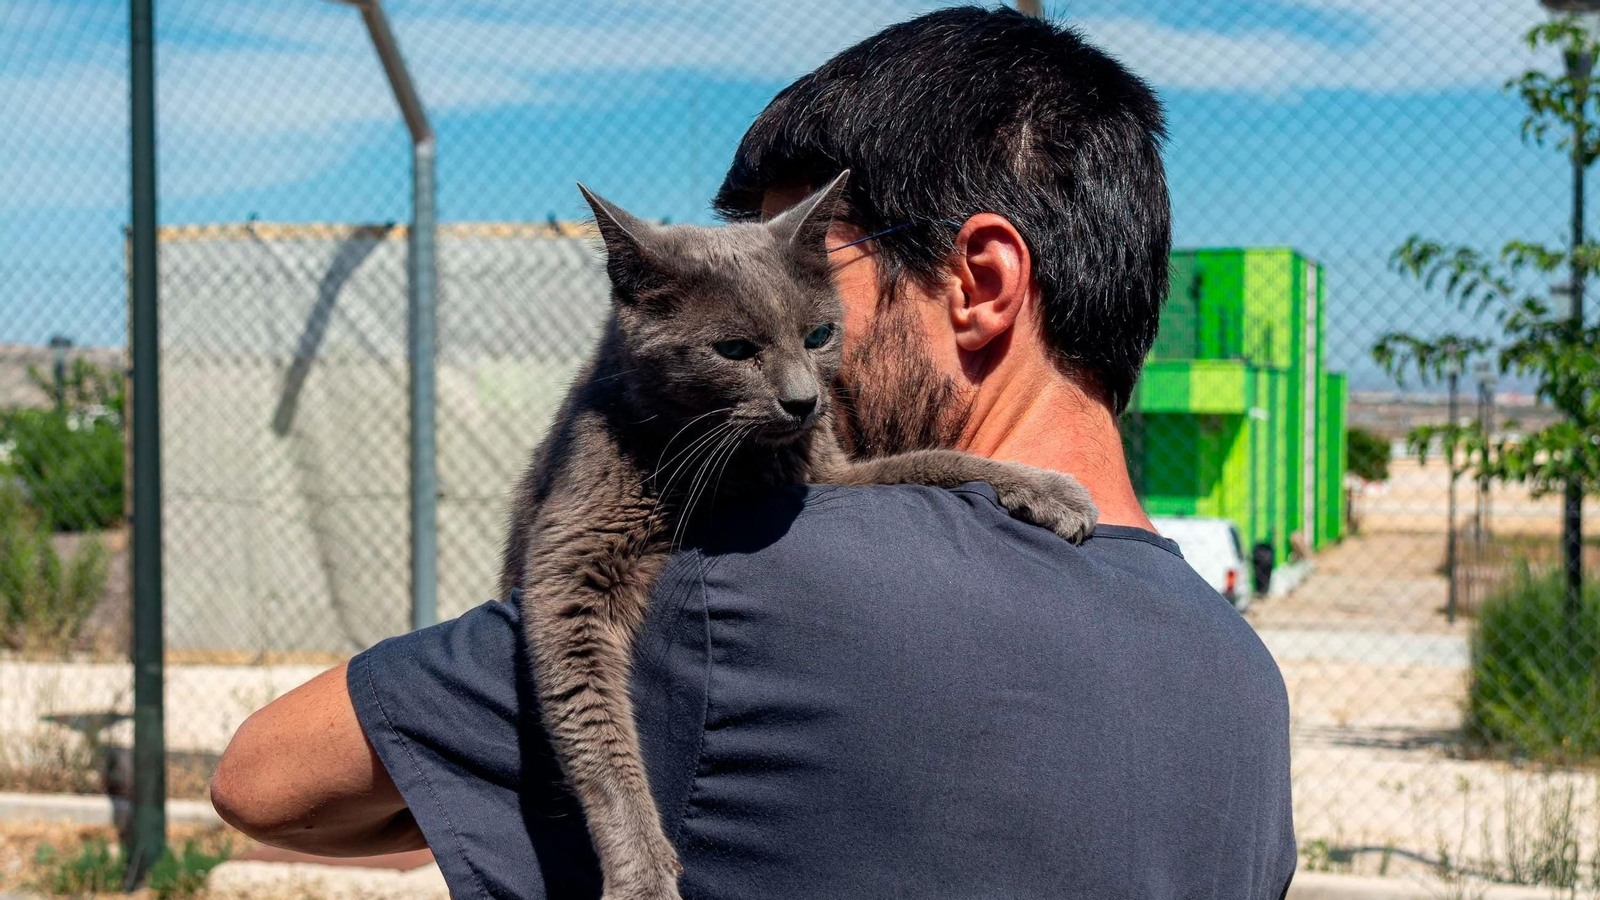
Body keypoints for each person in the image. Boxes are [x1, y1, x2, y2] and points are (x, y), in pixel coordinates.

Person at [210, 7, 1296, 898]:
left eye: (821, 278)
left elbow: (265, 782)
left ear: (981, 283)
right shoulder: (1241, 685)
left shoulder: (751, 579)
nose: (798, 382)